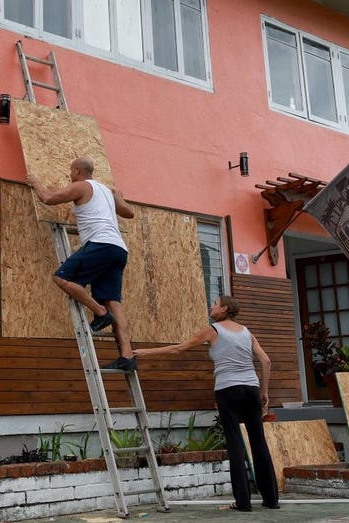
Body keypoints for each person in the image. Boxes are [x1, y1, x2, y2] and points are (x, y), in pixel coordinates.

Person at [132, 295, 280, 511]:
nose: (211, 306)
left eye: (215, 304)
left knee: (235, 443)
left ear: (224, 309)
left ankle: (243, 502)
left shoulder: (214, 329)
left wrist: (144, 352)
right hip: (251, 388)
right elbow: (266, 361)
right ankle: (271, 500)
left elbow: (178, 349)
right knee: (258, 442)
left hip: (228, 389)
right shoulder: (247, 332)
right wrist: (264, 392)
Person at [28, 157, 137, 371]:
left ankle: (100, 313)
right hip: (118, 249)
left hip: (101, 244)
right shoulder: (105, 191)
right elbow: (129, 213)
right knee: (114, 302)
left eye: (71, 171)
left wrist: (34, 182)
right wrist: (118, 196)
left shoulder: (81, 186)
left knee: (62, 277)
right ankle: (127, 356)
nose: (70, 174)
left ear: (77, 170)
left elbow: (48, 198)